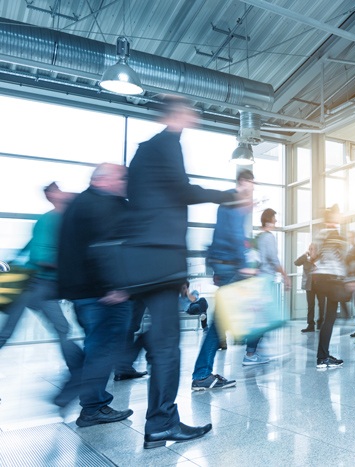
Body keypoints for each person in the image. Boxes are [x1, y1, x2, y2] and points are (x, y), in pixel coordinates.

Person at [121, 97, 248, 449]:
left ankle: (128, 361)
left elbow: (147, 197)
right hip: (159, 257)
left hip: (145, 258)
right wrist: (225, 196)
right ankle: (161, 422)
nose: (193, 117)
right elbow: (181, 190)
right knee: (166, 348)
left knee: (158, 339)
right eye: (189, 111)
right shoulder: (165, 146)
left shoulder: (146, 151)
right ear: (177, 114)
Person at [58, 165, 134, 426]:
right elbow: (107, 248)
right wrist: (115, 286)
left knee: (97, 347)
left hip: (82, 292)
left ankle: (89, 398)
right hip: (102, 294)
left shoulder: (80, 203)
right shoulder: (102, 205)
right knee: (103, 349)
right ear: (102, 180)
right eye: (121, 177)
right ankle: (92, 406)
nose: (125, 182)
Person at [0, 182, 83, 409]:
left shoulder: (50, 219)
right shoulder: (52, 219)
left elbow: (27, 249)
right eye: (58, 191)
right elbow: (39, 256)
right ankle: (80, 373)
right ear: (52, 196)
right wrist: (72, 268)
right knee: (59, 329)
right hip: (38, 286)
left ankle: (79, 374)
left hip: (36, 286)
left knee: (7, 334)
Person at [191, 169, 258, 394]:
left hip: (223, 263)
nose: (251, 186)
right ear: (242, 182)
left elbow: (225, 233)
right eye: (249, 182)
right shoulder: (235, 200)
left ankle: (203, 372)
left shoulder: (230, 201)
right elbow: (234, 234)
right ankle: (201, 374)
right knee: (221, 320)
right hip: (230, 264)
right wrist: (245, 263)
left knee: (223, 318)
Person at [310, 205, 347, 369]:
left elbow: (312, 256)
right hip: (332, 279)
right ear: (332, 217)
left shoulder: (319, 234)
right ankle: (322, 357)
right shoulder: (334, 234)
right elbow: (341, 256)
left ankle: (323, 355)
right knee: (330, 319)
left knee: (327, 319)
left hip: (320, 279)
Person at [251, 208, 291, 359]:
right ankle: (253, 351)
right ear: (269, 219)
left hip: (258, 279)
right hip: (266, 279)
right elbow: (273, 259)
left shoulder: (259, 237)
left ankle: (257, 350)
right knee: (266, 317)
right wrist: (286, 276)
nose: (276, 221)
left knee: (262, 317)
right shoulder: (268, 237)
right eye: (274, 218)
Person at [294, 245, 319, 333]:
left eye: (314, 249)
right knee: (311, 305)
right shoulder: (306, 258)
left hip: (320, 284)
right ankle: (310, 325)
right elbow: (296, 263)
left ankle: (321, 323)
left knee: (322, 304)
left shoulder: (320, 258)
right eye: (310, 249)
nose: (312, 250)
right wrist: (305, 254)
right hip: (309, 285)